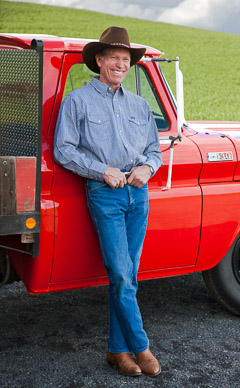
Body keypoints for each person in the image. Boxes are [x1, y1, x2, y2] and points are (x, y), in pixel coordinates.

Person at [54, 26, 163, 377]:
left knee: (128, 276)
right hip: (106, 195)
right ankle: (141, 347)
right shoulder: (77, 101)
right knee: (120, 274)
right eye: (114, 58)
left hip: (139, 193)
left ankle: (117, 352)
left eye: (126, 60)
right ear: (99, 61)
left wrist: (147, 168)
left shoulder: (139, 104)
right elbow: (64, 149)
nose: (120, 64)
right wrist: (102, 171)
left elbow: (154, 150)